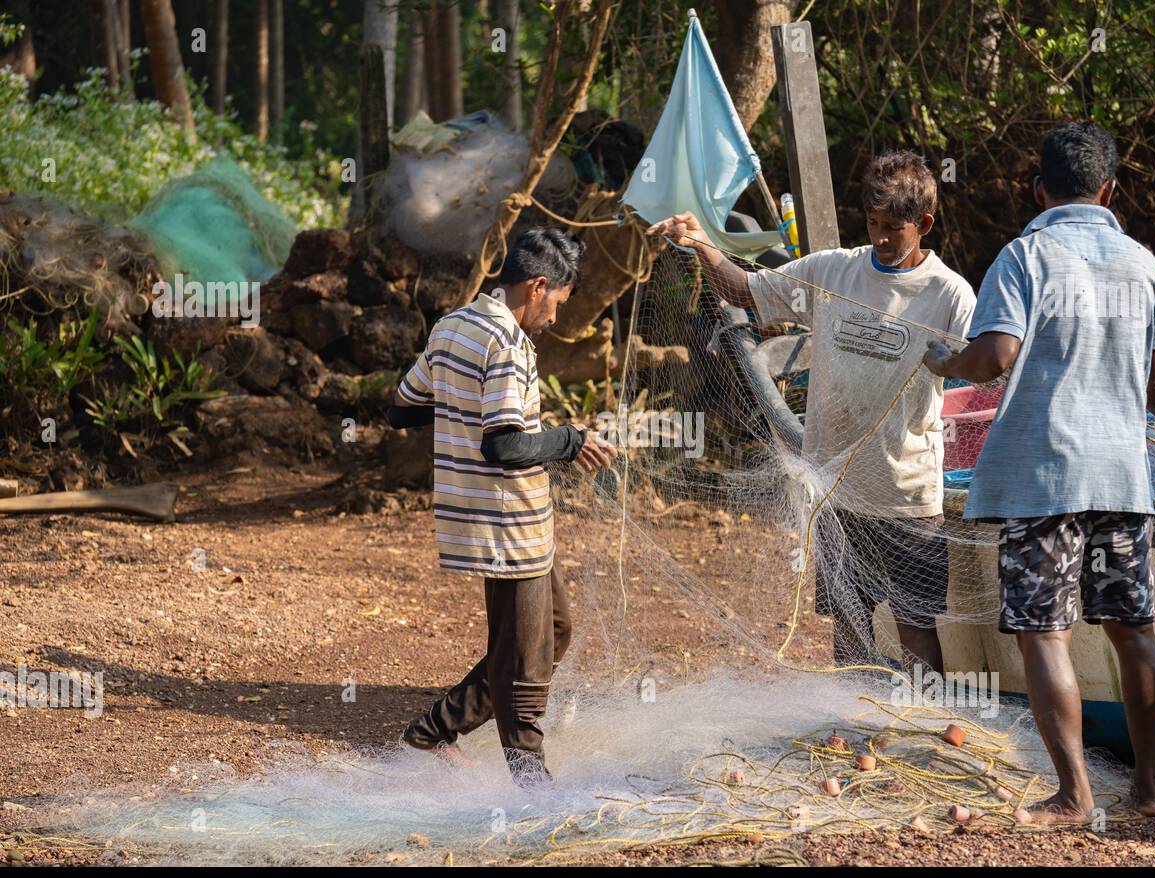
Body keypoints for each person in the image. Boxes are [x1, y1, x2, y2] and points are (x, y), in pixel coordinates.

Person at [922, 122, 1155, 822]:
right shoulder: (1144, 265)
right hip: (1122, 477)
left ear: (1039, 188)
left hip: (1045, 476)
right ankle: (1148, 789)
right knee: (1132, 627)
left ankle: (1074, 794)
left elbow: (994, 357)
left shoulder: (1025, 255)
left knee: (1045, 632)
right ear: (1108, 190)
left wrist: (944, 361)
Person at [649, 150, 975, 673]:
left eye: (894, 227)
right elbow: (745, 290)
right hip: (836, 494)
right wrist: (701, 246)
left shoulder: (950, 295)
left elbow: (985, 367)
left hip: (908, 496)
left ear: (926, 224)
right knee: (847, 620)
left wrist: (963, 361)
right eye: (873, 224)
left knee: (917, 626)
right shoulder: (832, 271)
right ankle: (849, 730)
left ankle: (924, 729)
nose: (881, 239)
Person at [388, 227, 618, 787]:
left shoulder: (454, 325)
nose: (557, 318)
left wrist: (459, 410)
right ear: (538, 286)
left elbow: (403, 407)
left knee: (554, 630)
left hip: (496, 520)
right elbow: (505, 444)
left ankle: (433, 730)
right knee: (526, 661)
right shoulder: (510, 345)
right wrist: (570, 440)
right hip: (506, 523)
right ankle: (532, 782)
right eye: (559, 303)